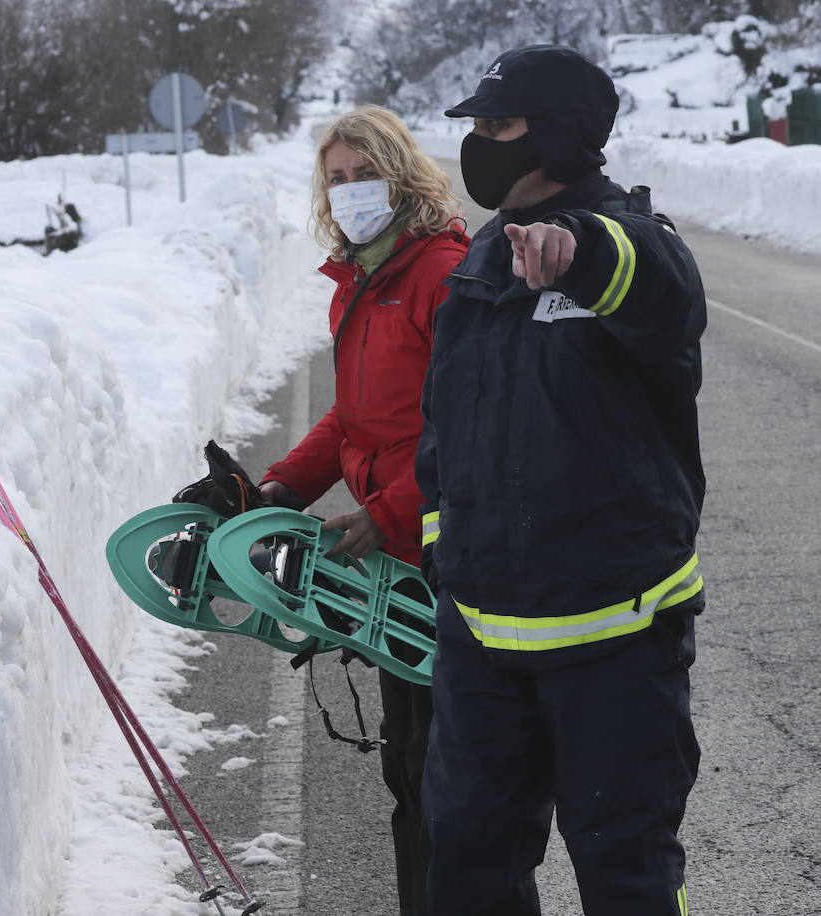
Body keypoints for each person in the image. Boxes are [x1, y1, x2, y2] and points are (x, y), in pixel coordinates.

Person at [415, 45, 707, 916]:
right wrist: (448, 561)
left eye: (496, 125)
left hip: (614, 641)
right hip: (481, 645)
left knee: (629, 877)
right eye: (473, 125)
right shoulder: (475, 267)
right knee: (467, 869)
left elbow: (660, 289)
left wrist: (576, 252)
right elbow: (445, 439)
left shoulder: (630, 246)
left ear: (561, 136)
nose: (477, 142)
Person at [257, 105, 469, 916]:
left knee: (449, 783)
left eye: (364, 175)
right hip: (393, 571)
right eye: (336, 179)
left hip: (448, 561)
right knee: (407, 773)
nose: (349, 193)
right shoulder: (359, 281)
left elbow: (469, 430)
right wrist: (272, 489)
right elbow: (353, 417)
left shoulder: (442, 276)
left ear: (401, 174)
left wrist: (387, 515)